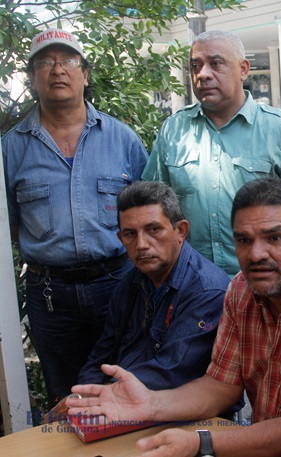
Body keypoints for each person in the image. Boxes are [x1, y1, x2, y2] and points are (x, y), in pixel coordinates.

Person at [68, 178, 281, 457]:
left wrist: (202, 444)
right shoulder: (241, 289)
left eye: (275, 237)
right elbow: (220, 387)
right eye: (243, 240)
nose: (256, 254)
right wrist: (149, 403)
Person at [2, 28, 148, 407]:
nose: (57, 70)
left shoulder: (123, 140)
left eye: (68, 61)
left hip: (119, 284)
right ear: (32, 77)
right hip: (51, 295)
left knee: (127, 388)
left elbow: (148, 215)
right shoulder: (11, 149)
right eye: (45, 63)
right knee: (65, 396)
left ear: (85, 74)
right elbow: (11, 226)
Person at [142, 30, 281, 277]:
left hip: (262, 281)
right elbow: (153, 207)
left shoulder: (279, 130)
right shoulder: (173, 130)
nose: (203, 74)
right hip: (190, 284)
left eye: (216, 63)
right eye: (195, 66)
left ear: (243, 69)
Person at [77, 181, 229, 392]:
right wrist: (81, 395)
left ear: (181, 231)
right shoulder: (129, 284)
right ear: (121, 239)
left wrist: (103, 395)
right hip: (121, 400)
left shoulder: (207, 291)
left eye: (154, 229)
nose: (141, 244)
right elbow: (101, 355)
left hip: (179, 411)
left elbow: (171, 371)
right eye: (130, 234)